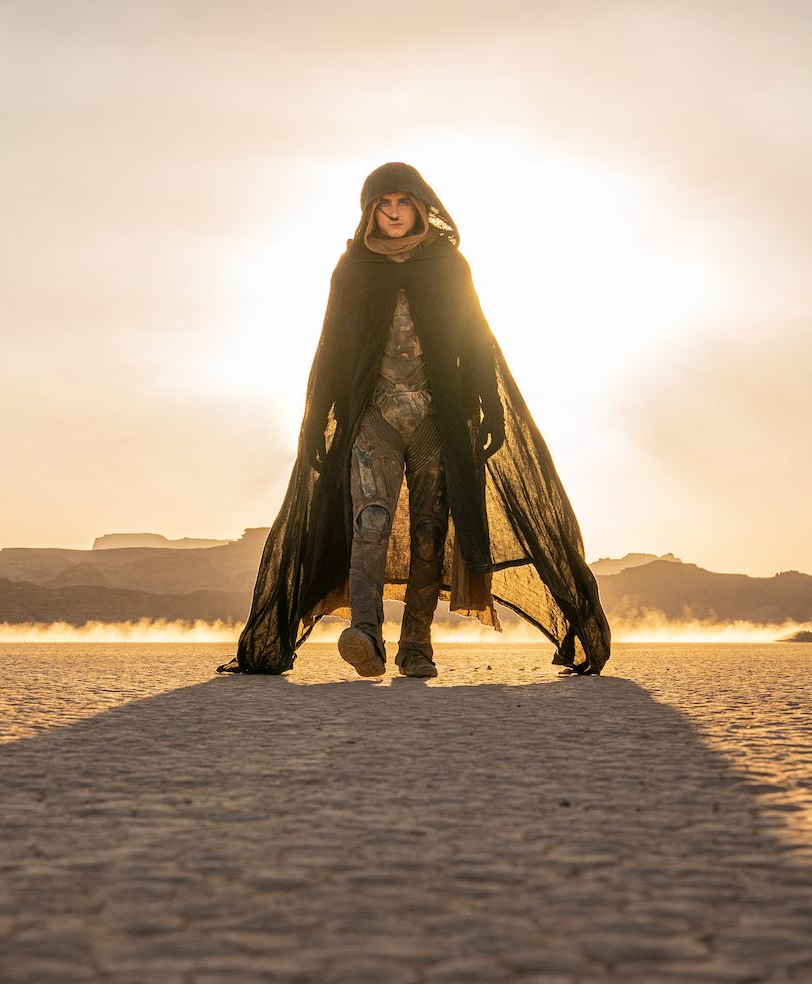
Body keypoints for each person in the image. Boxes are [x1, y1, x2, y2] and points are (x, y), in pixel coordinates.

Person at [216, 162, 611, 678]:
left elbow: (475, 338)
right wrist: (318, 421)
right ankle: (365, 634)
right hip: (372, 413)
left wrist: (489, 406)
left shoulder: (447, 266)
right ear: (370, 212)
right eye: (384, 204)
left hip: (438, 416)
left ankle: (416, 645)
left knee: (429, 532)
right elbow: (332, 347)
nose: (395, 212)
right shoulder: (352, 269)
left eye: (404, 202)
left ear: (422, 207)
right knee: (370, 522)